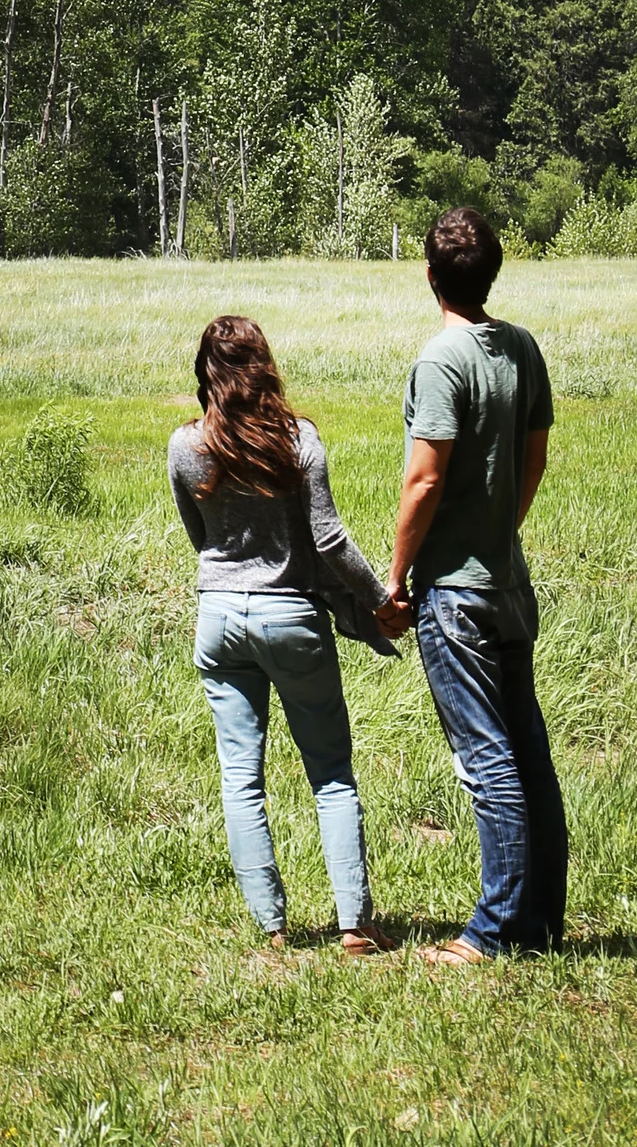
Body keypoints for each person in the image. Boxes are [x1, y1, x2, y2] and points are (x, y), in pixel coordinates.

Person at [168, 313, 394, 951]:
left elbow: (201, 539)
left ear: (205, 374)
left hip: (218, 618)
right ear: (264, 366)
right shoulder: (300, 440)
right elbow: (330, 540)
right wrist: (379, 602)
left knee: (241, 776)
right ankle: (354, 923)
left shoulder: (184, 447)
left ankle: (272, 928)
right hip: (290, 615)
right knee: (330, 771)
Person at [379, 204, 566, 964]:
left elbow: (424, 482)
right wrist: (503, 529)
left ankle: (491, 934)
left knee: (488, 760)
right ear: (491, 274)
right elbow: (534, 460)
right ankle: (539, 923)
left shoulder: (441, 360)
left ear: (430, 276)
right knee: (526, 753)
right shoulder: (520, 347)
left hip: (455, 595)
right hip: (509, 585)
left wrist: (396, 577)